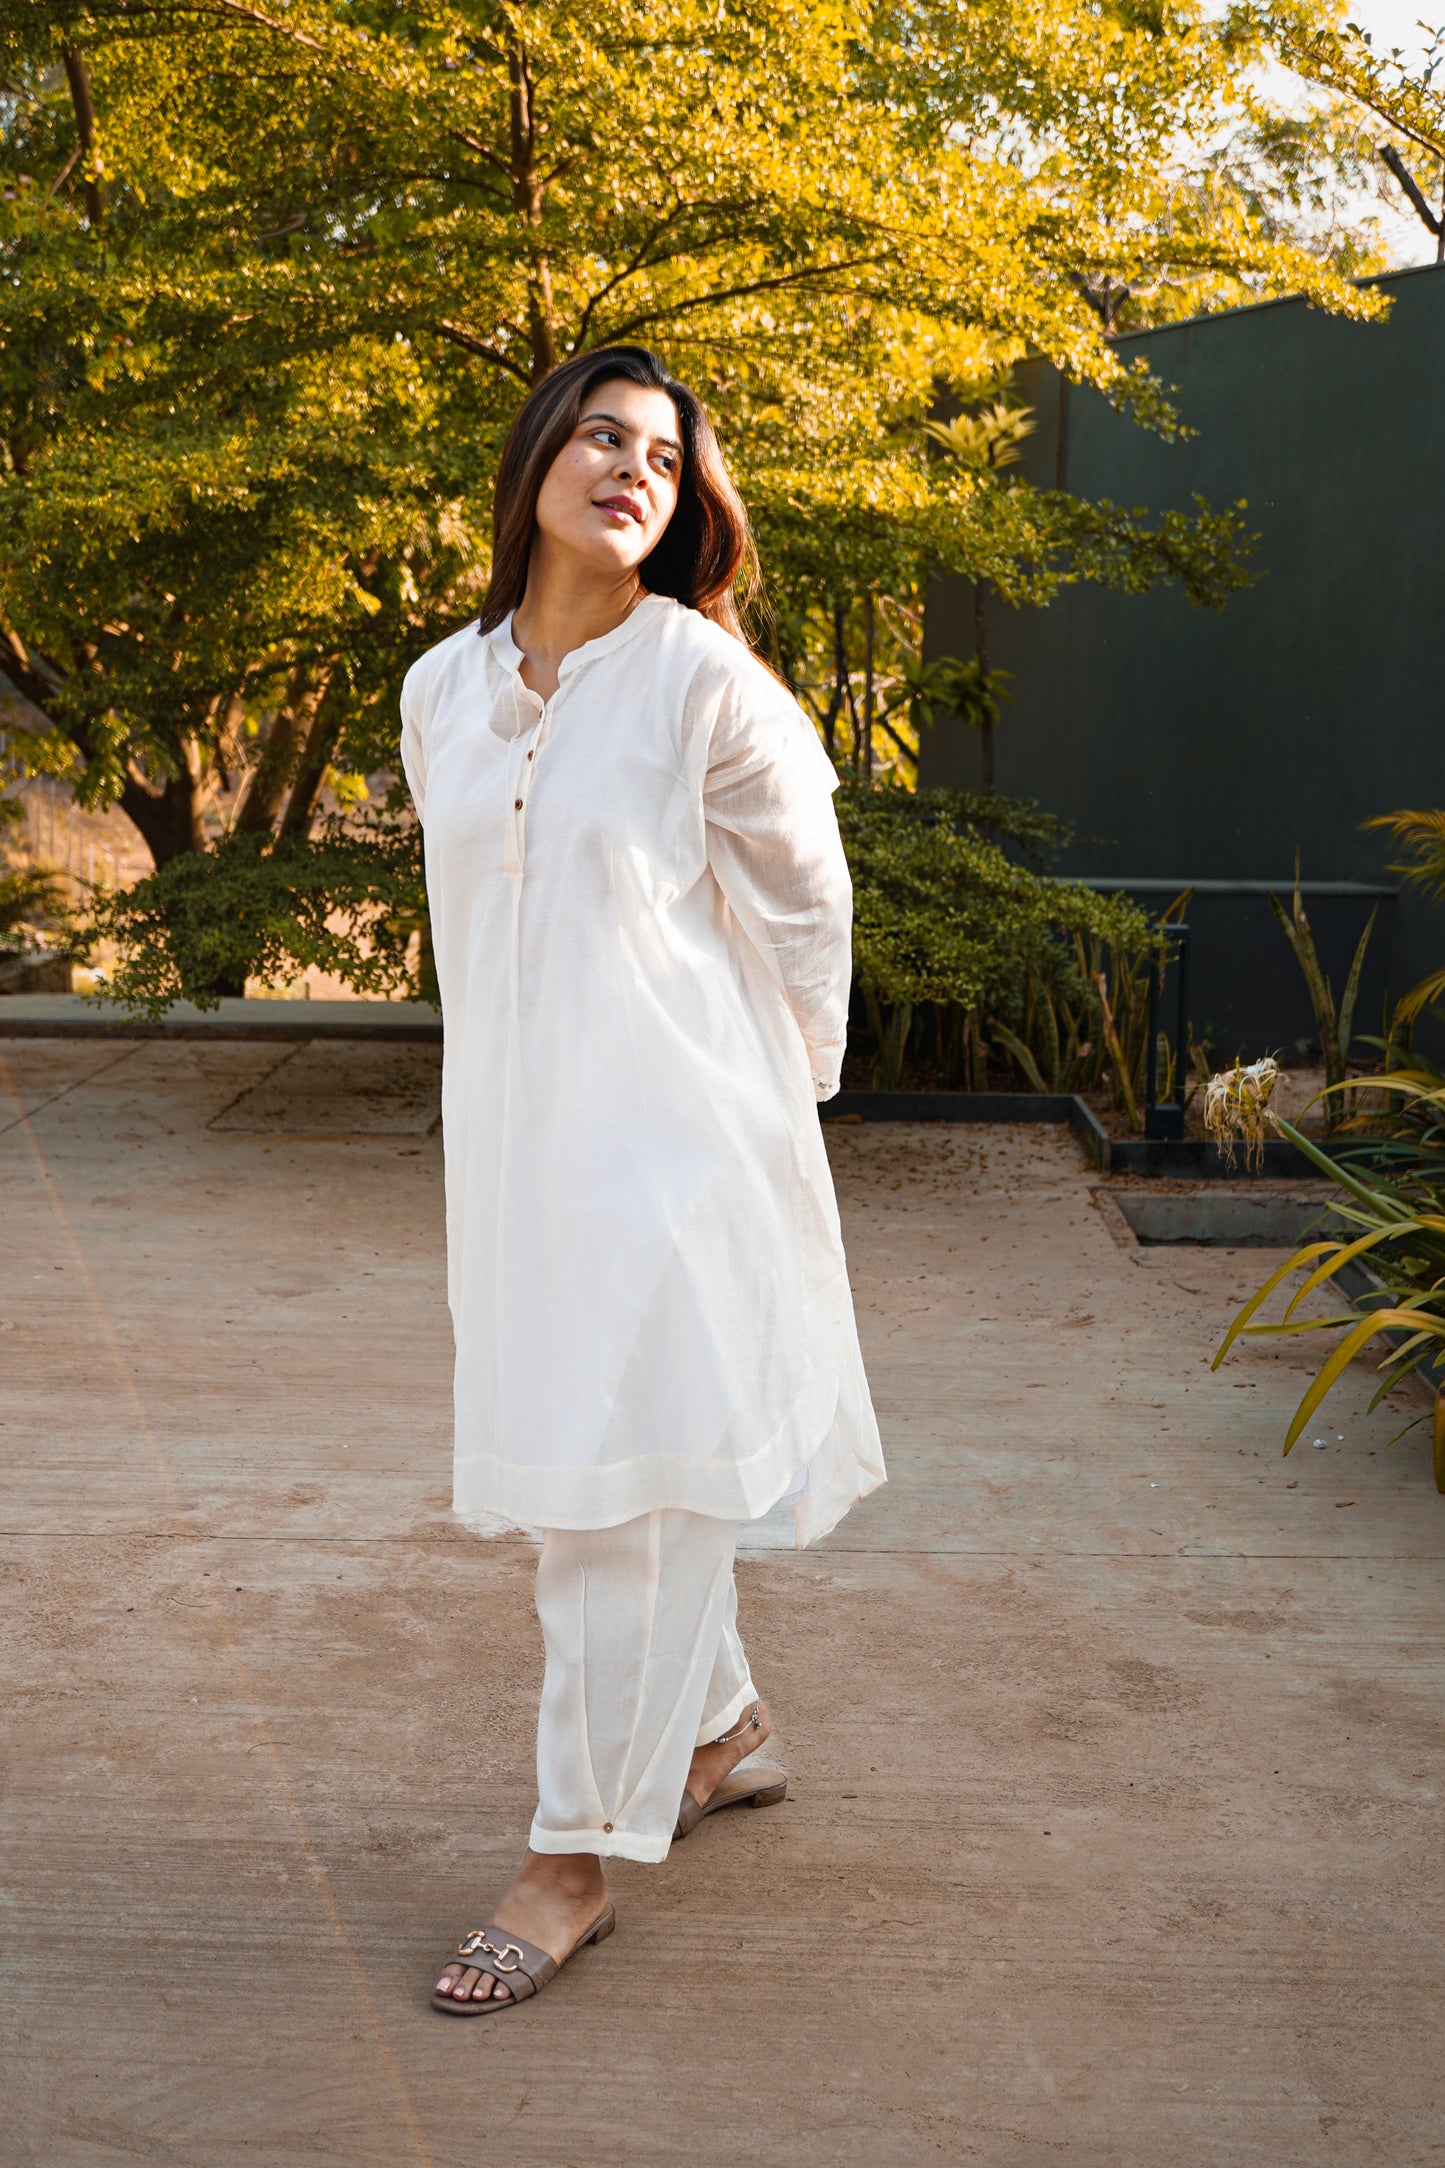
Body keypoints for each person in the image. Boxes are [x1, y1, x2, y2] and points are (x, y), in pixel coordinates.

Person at [400, 345, 884, 2014]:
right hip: (523, 1157)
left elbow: (807, 914)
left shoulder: (705, 686)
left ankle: (568, 1861)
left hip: (682, 1155)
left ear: (685, 509)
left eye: (664, 460)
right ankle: (722, 1728)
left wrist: (770, 1116)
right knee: (606, 1470)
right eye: (601, 437)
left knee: (616, 1505)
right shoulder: (440, 688)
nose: (630, 470)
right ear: (536, 460)